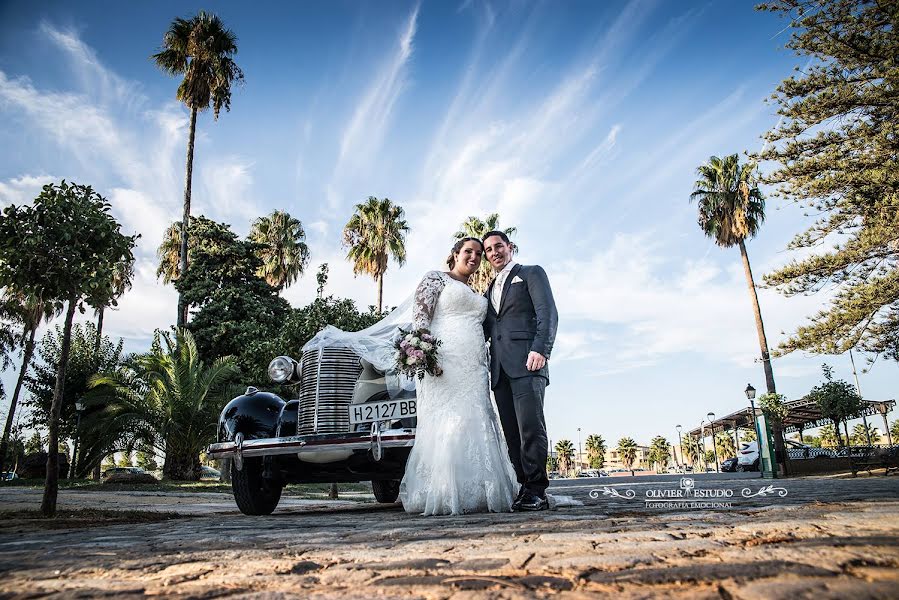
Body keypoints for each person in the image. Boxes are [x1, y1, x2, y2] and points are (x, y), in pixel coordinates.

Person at [399, 238, 518, 515]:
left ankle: (481, 490)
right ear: (454, 254)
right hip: (444, 363)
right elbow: (420, 319)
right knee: (449, 421)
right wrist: (424, 356)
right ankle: (443, 491)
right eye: (468, 252)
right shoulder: (436, 279)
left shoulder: (476, 291)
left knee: (475, 417)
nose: (475, 257)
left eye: (479, 253)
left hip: (475, 365)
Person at [482, 230, 558, 511]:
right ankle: (524, 487)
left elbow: (548, 312)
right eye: (488, 250)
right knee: (511, 434)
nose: (494, 253)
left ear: (510, 247)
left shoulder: (530, 273)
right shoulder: (489, 289)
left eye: (498, 246)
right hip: (499, 371)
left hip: (528, 362)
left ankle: (538, 490)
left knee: (531, 428)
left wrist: (541, 349)